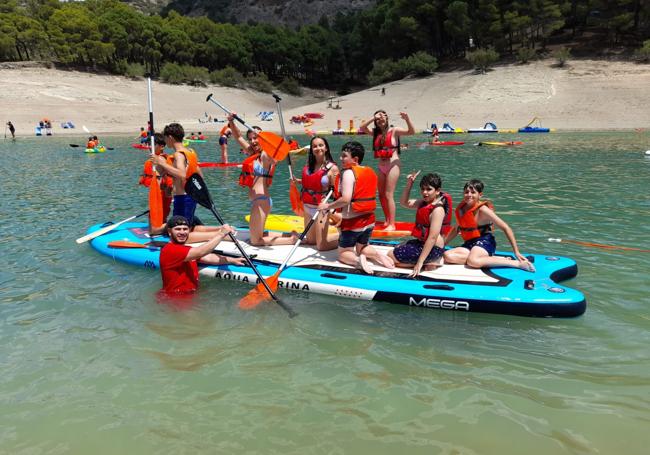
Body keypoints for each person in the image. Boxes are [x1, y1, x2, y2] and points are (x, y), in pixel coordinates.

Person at [317, 141, 394, 274]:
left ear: (355, 159)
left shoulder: (348, 173)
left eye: (344, 156)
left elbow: (346, 199)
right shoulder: (369, 171)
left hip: (353, 223)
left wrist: (327, 206)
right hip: (369, 221)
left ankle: (358, 261)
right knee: (362, 247)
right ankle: (377, 256)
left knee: (343, 253)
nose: (341, 158)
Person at [228, 113, 299, 246]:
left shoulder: (266, 155)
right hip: (259, 201)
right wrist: (231, 121)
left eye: (256, 138)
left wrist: (275, 144)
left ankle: (291, 240)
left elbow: (275, 157)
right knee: (258, 234)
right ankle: (290, 234)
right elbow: (237, 136)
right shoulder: (253, 153)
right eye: (250, 139)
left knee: (255, 241)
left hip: (261, 201)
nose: (253, 141)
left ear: (262, 138)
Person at [444, 179, 535, 272]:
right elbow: (456, 229)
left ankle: (517, 263)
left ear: (480, 195)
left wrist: (516, 252)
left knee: (473, 261)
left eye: (473, 192)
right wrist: (442, 245)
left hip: (485, 241)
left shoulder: (483, 210)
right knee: (448, 256)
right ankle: (492, 259)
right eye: (466, 192)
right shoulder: (462, 209)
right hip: (470, 243)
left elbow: (505, 227)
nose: (469, 195)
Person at [151, 123, 221, 241]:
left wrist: (161, 163)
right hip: (190, 196)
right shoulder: (190, 151)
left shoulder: (178, 155)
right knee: (187, 227)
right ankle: (221, 229)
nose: (165, 141)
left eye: (165, 138)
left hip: (183, 198)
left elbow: (182, 174)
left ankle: (222, 234)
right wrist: (173, 186)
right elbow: (198, 174)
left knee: (180, 235)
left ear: (171, 138)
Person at [159, 216, 246, 295]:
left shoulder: (186, 250)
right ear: (170, 232)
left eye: (185, 229)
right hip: (175, 299)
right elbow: (201, 252)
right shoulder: (170, 250)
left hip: (188, 295)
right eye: (178, 229)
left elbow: (208, 257)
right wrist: (221, 234)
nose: (182, 232)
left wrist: (233, 260)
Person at [359, 110, 415, 231]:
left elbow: (411, 132)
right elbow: (362, 127)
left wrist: (407, 119)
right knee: (381, 195)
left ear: (387, 118)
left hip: (393, 165)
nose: (380, 120)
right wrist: (373, 117)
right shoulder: (375, 133)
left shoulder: (394, 131)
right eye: (377, 119)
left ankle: (392, 224)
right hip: (381, 166)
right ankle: (387, 220)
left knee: (389, 194)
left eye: (382, 117)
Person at [388, 172, 452, 276]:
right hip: (422, 243)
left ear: (437, 191)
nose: (425, 192)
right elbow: (404, 203)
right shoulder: (423, 203)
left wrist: (419, 262)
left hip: (433, 249)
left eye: (429, 189)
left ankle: (430, 261)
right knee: (397, 247)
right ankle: (429, 263)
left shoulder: (438, 210)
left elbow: (432, 238)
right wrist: (410, 184)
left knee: (390, 255)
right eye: (422, 189)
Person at [295, 136, 339, 250]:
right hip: (307, 207)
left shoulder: (332, 168)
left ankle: (345, 237)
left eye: (321, 145)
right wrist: (298, 181)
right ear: (312, 149)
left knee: (321, 246)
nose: (318, 148)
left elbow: (337, 193)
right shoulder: (308, 167)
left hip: (321, 208)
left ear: (326, 148)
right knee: (311, 241)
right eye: (314, 146)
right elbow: (311, 183)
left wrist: (332, 208)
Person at [139, 133, 173, 222]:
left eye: (152, 145)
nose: (149, 147)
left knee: (156, 222)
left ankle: (172, 227)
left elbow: (162, 180)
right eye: (148, 144)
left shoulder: (160, 160)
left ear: (161, 147)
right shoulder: (155, 159)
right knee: (159, 219)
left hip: (161, 195)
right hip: (158, 194)